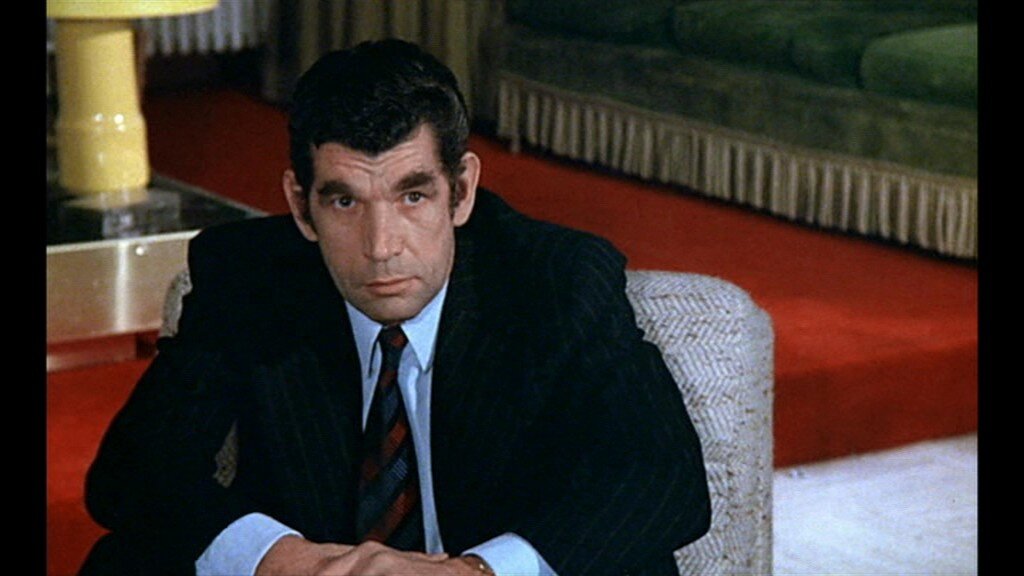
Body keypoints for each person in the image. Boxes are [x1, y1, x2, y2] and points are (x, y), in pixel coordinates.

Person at [80, 39, 711, 576]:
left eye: (413, 196)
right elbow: (133, 472)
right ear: (300, 205)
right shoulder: (248, 274)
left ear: (461, 191)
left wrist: (473, 571)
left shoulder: (557, 279)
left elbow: (664, 478)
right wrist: (283, 558)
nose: (381, 247)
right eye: (345, 203)